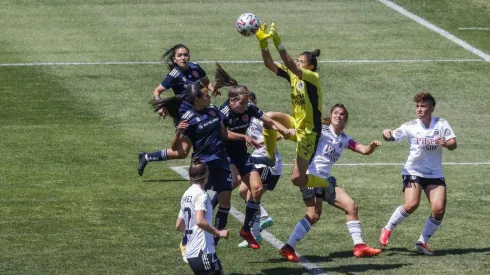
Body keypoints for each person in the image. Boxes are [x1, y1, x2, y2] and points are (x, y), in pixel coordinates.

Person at [156, 82, 261, 248]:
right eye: (205, 95)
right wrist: (179, 132)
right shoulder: (188, 118)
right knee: (199, 202)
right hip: (202, 165)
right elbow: (177, 149)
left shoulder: (213, 110)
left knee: (225, 203)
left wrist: (244, 137)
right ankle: (186, 237)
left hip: (220, 161)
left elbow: (224, 133)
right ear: (197, 99)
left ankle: (213, 242)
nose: (209, 96)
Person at [279, 104, 383, 262]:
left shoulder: (344, 139)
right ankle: (288, 248)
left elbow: (363, 149)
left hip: (325, 180)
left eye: (342, 114)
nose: (338, 116)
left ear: (345, 118)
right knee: (313, 215)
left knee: (351, 206)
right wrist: (286, 132)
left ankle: (360, 246)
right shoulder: (321, 131)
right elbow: (301, 133)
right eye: (336, 113)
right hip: (309, 176)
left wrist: (372, 146)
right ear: (331, 115)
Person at [215, 65, 293, 249]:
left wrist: (283, 130)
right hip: (225, 153)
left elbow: (267, 119)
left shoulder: (248, 108)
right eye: (241, 103)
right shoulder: (223, 113)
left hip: (241, 153)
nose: (245, 107)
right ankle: (211, 215)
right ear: (232, 101)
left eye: (246, 103)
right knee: (232, 186)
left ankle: (246, 229)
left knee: (256, 190)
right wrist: (245, 137)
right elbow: (224, 135)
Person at [378, 92, 457, 255]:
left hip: (434, 173)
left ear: (432, 108)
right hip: (413, 171)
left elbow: (453, 143)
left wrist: (447, 144)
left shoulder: (441, 124)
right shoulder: (411, 126)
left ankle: (422, 242)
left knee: (439, 209)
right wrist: (386, 134)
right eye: (417, 106)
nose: (419, 109)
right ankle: (388, 227)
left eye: (423, 106)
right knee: (412, 204)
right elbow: (392, 136)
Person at [255, 23, 330, 189]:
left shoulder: (312, 77)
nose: (297, 62)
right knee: (269, 117)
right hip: (296, 122)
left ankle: (327, 184)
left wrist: (279, 43)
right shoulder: (293, 75)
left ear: (310, 67)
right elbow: (269, 64)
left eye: (301, 61)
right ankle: (270, 156)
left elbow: (291, 66)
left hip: (309, 132)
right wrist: (263, 45)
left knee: (297, 179)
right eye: (297, 60)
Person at [138, 44, 218, 176]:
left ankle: (146, 157)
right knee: (182, 151)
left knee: (188, 148)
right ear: (174, 59)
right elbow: (157, 91)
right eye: (179, 55)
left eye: (185, 55)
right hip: (185, 114)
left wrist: (213, 89)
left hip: (201, 108)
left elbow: (206, 82)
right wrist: (161, 106)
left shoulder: (195, 67)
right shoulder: (174, 74)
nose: (183, 58)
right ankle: (200, 168)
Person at [237, 92, 284, 248]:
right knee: (243, 191)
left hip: (269, 163)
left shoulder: (259, 118)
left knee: (252, 193)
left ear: (254, 102)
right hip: (256, 160)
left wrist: (258, 141)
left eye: (248, 102)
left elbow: (278, 135)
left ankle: (255, 234)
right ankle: (263, 216)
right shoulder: (245, 118)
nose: (245, 105)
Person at [176, 157, 229, 274]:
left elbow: (179, 225)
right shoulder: (201, 195)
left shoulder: (186, 194)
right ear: (206, 175)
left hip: (191, 252)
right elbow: (199, 221)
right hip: (202, 251)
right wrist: (218, 233)